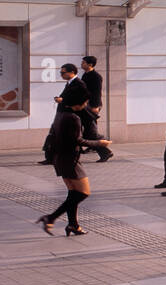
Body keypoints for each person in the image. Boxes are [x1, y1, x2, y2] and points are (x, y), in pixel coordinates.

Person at [36, 96, 111, 237]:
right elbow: (78, 140)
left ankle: (73, 225)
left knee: (73, 193)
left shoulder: (60, 115)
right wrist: (100, 143)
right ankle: (51, 217)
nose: (85, 104)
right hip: (70, 159)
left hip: (60, 158)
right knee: (83, 193)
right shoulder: (73, 118)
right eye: (84, 101)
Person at [79, 56, 112, 162]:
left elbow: (97, 93)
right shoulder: (86, 75)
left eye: (83, 63)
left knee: (90, 130)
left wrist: (95, 106)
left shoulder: (95, 76)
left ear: (90, 64)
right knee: (89, 129)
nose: (81, 64)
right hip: (85, 105)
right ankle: (97, 148)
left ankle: (104, 151)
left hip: (92, 105)